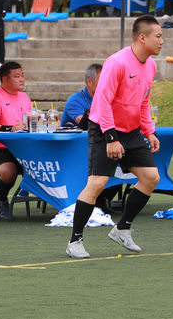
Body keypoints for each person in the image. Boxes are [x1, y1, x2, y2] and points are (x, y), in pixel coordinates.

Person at [65, 15, 163, 259]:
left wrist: (148, 131)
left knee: (151, 177)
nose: (162, 41)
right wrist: (111, 138)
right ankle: (74, 241)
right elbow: (103, 102)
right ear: (143, 38)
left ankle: (122, 229)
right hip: (104, 130)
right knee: (96, 184)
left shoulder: (150, 65)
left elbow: (143, 102)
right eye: (158, 36)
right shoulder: (116, 63)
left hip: (130, 132)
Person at [0, 62, 31, 220]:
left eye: (22, 75)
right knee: (8, 172)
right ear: (4, 79)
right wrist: (10, 128)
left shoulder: (25, 98)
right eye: (17, 76)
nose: (21, 79)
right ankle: (3, 199)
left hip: (22, 146)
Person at [61, 63, 103, 128]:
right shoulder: (74, 101)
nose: (106, 83)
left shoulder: (105, 98)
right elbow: (86, 124)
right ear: (89, 82)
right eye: (103, 80)